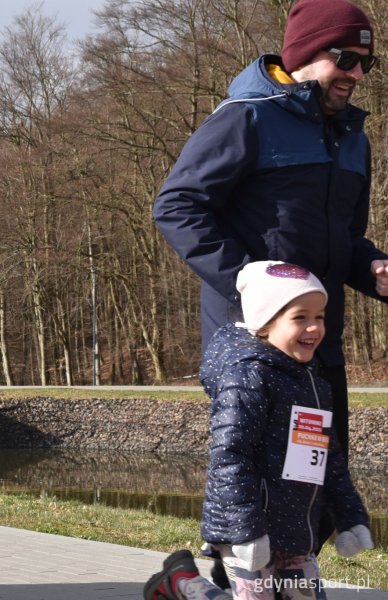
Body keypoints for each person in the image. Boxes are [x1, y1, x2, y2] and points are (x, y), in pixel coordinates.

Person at [152, 0, 387, 585]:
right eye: (346, 59)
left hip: (316, 343)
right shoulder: (247, 117)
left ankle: (195, 584)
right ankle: (200, 586)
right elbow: (176, 207)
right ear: (305, 55)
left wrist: (375, 267)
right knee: (252, 494)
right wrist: (256, 286)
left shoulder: (352, 138)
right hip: (253, 345)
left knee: (313, 494)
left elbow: (344, 242)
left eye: (367, 63)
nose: (357, 75)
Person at [144, 261, 373, 600]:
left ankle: (183, 580)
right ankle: (182, 584)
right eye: (300, 317)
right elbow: (230, 456)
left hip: (296, 529)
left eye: (320, 316)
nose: (314, 328)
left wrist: (350, 516)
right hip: (248, 529)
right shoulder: (248, 377)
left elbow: (328, 458)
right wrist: (246, 530)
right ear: (264, 323)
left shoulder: (313, 382)